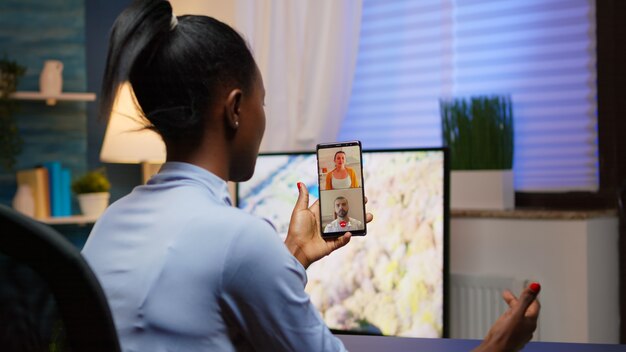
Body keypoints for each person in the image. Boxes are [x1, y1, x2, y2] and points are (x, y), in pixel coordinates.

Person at [81, 1, 540, 351]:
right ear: (236, 108)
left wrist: (293, 255)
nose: (264, 116)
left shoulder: (110, 224)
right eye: (263, 100)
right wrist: (499, 344)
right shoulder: (236, 239)